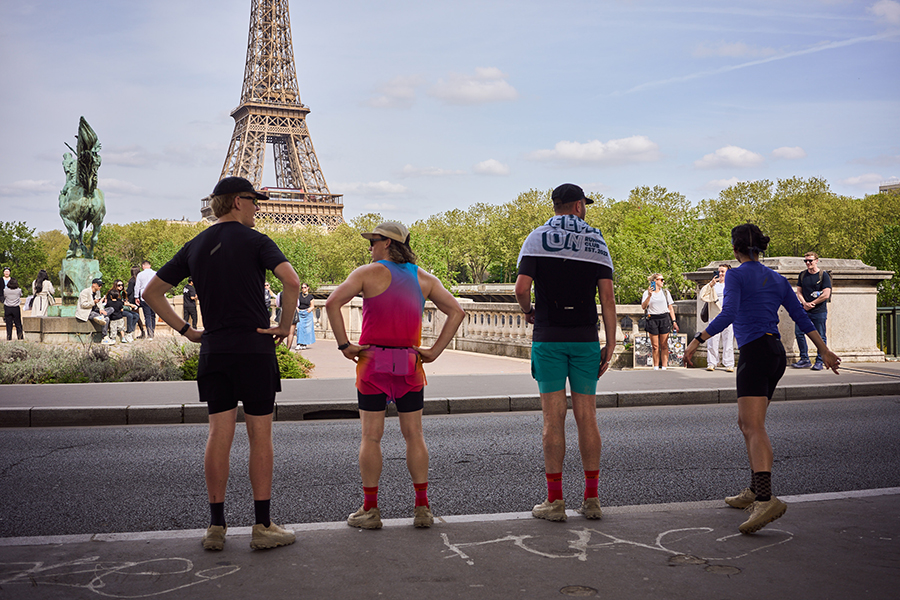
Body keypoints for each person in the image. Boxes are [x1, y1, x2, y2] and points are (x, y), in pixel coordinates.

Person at [142, 176, 300, 552]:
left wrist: (186, 329)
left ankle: (216, 527)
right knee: (260, 437)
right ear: (236, 202)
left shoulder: (195, 245)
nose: (259, 207)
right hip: (254, 347)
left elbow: (151, 292)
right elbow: (291, 282)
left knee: (218, 435)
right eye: (254, 200)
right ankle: (262, 526)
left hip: (214, 348)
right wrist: (285, 323)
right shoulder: (258, 241)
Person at [685, 223, 840, 534]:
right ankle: (756, 490)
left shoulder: (738, 275)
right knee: (749, 424)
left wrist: (696, 339)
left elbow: (728, 314)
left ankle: (766, 499)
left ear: (735, 249)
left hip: (755, 353)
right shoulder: (777, 278)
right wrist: (824, 349)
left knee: (752, 426)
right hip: (775, 354)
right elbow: (799, 315)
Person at [325, 221, 465, 530]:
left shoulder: (366, 273)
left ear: (387, 243)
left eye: (372, 242)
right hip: (409, 363)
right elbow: (457, 311)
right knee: (414, 435)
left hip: (373, 362)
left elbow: (333, 303)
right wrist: (434, 351)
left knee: (371, 436)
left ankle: (371, 509)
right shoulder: (424, 278)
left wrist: (345, 345)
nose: (370, 248)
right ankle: (422, 508)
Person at [514, 183, 617, 522]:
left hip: (549, 337)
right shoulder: (596, 241)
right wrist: (611, 342)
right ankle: (591, 499)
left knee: (552, 418)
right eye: (583, 204)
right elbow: (607, 298)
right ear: (576, 206)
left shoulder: (536, 238)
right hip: (585, 338)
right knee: (587, 416)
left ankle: (555, 501)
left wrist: (529, 310)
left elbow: (521, 288)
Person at [792, 252, 832, 371]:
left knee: (820, 336)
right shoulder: (803, 275)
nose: (808, 263)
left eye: (810, 260)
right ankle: (804, 358)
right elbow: (799, 291)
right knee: (799, 332)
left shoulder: (823, 275)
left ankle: (820, 360)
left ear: (816, 261)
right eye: (806, 261)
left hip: (819, 311)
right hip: (804, 309)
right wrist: (805, 303)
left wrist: (813, 303)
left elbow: (826, 294)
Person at [699, 264, 734, 372]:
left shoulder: (732, 285)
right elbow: (702, 295)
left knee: (728, 340)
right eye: (719, 271)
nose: (720, 274)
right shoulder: (714, 286)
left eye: (723, 271)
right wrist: (710, 284)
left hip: (728, 315)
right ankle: (712, 362)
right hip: (714, 315)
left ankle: (729, 363)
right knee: (712, 340)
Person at [640, 273, 679, 370]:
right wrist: (649, 295)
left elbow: (670, 308)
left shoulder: (665, 292)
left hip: (664, 318)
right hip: (652, 318)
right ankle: (656, 367)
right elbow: (643, 307)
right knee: (655, 346)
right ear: (655, 281)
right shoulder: (646, 293)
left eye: (663, 279)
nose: (663, 281)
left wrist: (674, 321)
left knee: (664, 344)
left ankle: (664, 367)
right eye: (661, 279)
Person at [75, 278, 112, 343]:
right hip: (87, 312)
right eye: (99, 285)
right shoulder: (85, 292)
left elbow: (99, 302)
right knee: (107, 319)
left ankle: (101, 317)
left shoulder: (98, 292)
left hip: (95, 311)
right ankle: (104, 337)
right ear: (94, 284)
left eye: (101, 285)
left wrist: (101, 309)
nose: (100, 287)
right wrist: (93, 302)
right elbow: (83, 305)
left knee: (111, 309)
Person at [134, 260, 157, 339]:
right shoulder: (155, 273)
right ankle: (152, 332)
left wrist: (136, 297)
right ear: (150, 265)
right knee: (153, 315)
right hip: (154, 297)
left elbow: (137, 286)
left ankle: (149, 333)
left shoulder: (140, 275)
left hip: (144, 297)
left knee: (147, 316)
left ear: (143, 266)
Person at [126, 266, 147, 339]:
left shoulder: (132, 280)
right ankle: (142, 331)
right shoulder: (139, 279)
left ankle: (139, 331)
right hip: (140, 299)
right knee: (139, 316)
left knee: (136, 316)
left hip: (133, 300)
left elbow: (129, 291)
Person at [295, 283, 315, 350]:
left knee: (307, 330)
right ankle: (299, 343)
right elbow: (295, 303)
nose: (303, 289)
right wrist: (297, 308)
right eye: (302, 287)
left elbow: (312, 306)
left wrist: (309, 309)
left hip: (307, 313)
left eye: (305, 287)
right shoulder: (298, 295)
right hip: (300, 313)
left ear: (308, 288)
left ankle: (304, 344)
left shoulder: (310, 297)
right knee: (299, 328)